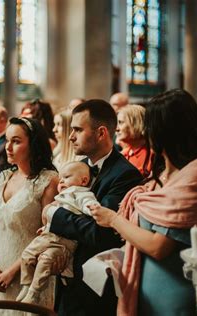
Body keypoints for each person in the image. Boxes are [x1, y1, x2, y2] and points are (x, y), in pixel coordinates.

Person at [91, 89, 197, 316]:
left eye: (151, 125)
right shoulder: (163, 173)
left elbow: (158, 247)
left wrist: (113, 219)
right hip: (145, 291)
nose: (148, 132)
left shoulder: (195, 176)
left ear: (166, 131)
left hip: (173, 296)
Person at [45, 99, 143, 315]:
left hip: (95, 290)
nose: (71, 137)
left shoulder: (125, 175)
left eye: (78, 130)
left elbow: (100, 232)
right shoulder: (77, 169)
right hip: (65, 283)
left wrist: (54, 215)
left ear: (101, 133)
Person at [0, 117, 58, 315]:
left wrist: (14, 271)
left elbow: (47, 235)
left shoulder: (48, 181)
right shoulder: (3, 178)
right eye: (7, 140)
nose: (8, 147)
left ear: (33, 145)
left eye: (16, 141)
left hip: (29, 276)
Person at [17, 161, 99, 304]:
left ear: (84, 180)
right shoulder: (61, 196)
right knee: (27, 255)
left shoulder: (80, 193)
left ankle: (34, 292)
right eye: (60, 178)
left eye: (66, 177)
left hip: (64, 241)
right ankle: (26, 284)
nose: (61, 181)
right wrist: (46, 226)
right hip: (49, 236)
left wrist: (92, 209)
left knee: (46, 260)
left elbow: (89, 205)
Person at [116, 104, 152, 177]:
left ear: (136, 123)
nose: (116, 128)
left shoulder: (152, 155)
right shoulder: (122, 154)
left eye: (121, 122)